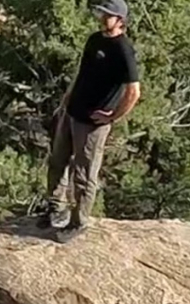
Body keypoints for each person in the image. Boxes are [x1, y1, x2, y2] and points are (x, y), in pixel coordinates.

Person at [38, 0, 141, 243]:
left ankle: (79, 221)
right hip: (72, 111)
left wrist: (113, 116)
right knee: (57, 161)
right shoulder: (95, 39)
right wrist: (67, 98)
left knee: (84, 174)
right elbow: (82, 72)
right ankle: (55, 207)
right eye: (102, 13)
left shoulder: (124, 49)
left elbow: (134, 92)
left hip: (93, 122)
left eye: (108, 14)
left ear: (121, 20)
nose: (102, 17)